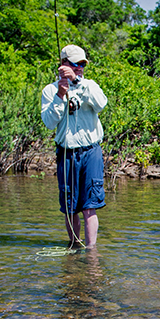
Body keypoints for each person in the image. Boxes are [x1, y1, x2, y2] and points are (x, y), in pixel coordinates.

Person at [41, 44, 108, 248]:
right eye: (75, 64)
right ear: (63, 64)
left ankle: (91, 252)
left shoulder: (90, 84)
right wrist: (60, 96)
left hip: (91, 152)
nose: (80, 67)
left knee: (90, 206)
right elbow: (49, 122)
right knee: (70, 207)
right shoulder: (50, 90)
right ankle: (74, 247)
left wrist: (77, 81)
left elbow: (101, 104)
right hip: (66, 153)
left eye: (82, 64)